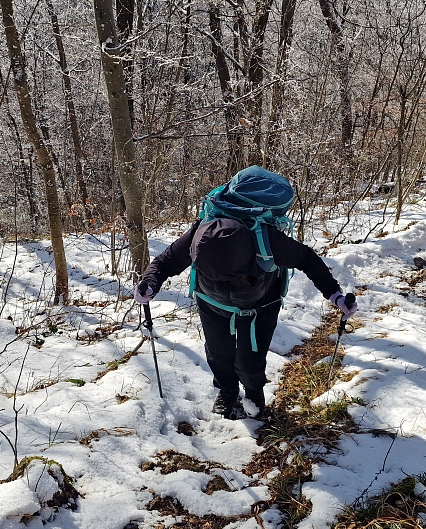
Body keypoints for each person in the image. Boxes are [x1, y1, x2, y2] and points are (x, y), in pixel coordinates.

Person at [135, 166, 357, 419]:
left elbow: (307, 259)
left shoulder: (267, 240)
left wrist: (334, 294)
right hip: (210, 303)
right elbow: (164, 262)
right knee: (218, 355)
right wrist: (150, 283)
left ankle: (253, 393)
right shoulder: (201, 233)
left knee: (250, 363)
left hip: (259, 309)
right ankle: (227, 391)